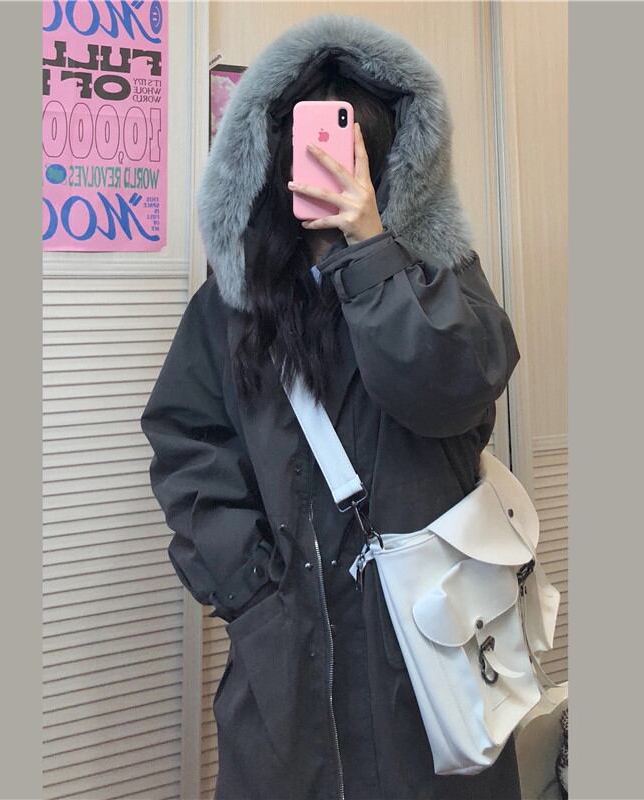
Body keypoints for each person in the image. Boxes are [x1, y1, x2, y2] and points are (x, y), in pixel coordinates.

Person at [141, 13, 523, 800]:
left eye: (352, 146)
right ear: (273, 160)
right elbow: (188, 443)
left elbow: (450, 396)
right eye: (308, 147)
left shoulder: (441, 282)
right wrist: (252, 593)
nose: (326, 162)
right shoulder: (232, 307)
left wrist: (372, 251)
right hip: (290, 674)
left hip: (433, 662)